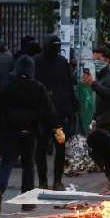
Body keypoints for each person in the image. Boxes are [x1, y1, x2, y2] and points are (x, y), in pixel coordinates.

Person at [0, 56, 62, 214]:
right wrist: (56, 128)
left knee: (7, 162)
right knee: (28, 165)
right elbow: (48, 110)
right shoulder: (38, 87)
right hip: (30, 132)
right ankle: (27, 202)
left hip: (10, 131)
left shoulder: (9, 86)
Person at [35, 35, 77, 191]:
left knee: (58, 148)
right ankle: (45, 181)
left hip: (56, 115)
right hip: (45, 114)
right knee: (42, 148)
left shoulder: (61, 63)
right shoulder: (38, 62)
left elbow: (68, 87)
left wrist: (71, 110)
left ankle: (54, 181)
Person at [83, 48, 110, 134]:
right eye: (94, 59)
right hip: (100, 120)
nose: (95, 62)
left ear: (107, 60)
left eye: (98, 59)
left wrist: (93, 84)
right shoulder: (99, 75)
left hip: (108, 122)